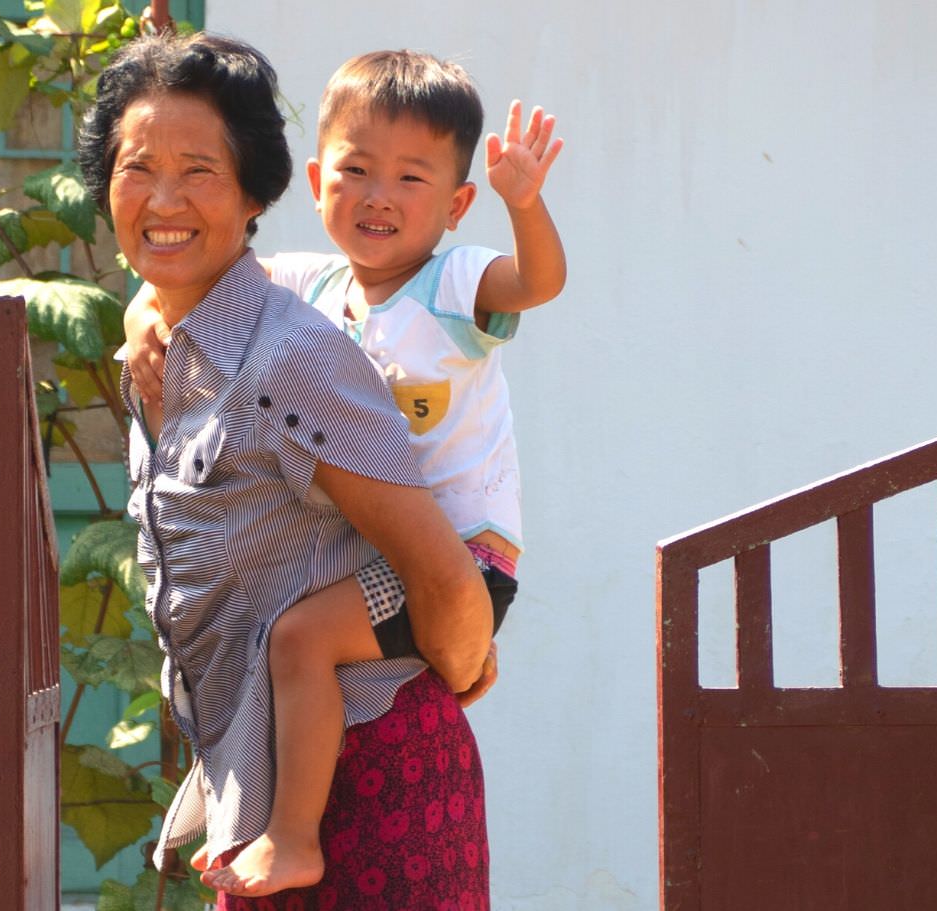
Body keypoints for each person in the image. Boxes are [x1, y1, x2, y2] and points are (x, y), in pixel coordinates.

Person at [123, 49, 566, 897]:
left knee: (299, 637)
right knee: (302, 637)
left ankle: (294, 837)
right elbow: (192, 275)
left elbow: (538, 281)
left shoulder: (453, 283)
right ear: (321, 179)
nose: (378, 196)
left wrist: (526, 203)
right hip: (382, 574)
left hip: (464, 560)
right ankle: (288, 830)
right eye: (356, 170)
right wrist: (143, 309)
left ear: (455, 203)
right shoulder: (310, 288)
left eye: (409, 178)